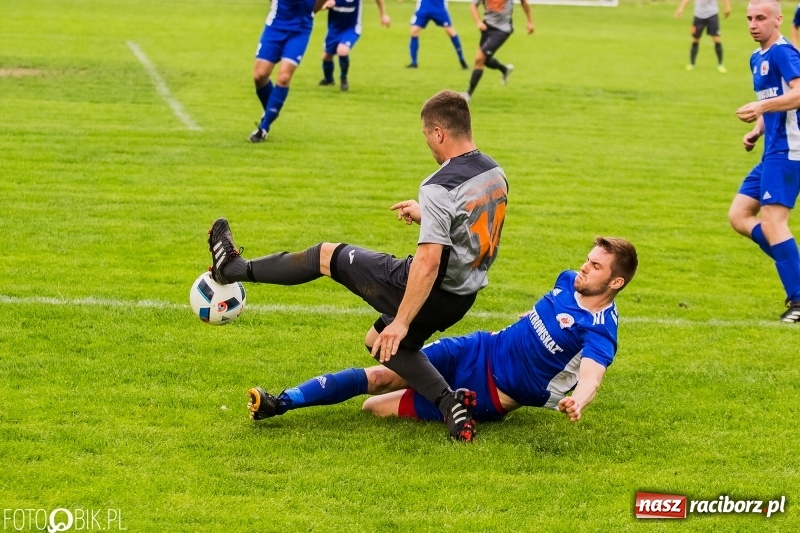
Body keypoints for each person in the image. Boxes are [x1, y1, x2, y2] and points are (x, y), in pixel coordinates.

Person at [208, 90, 509, 440]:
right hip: (460, 298)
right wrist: (429, 216)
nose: (429, 146)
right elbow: (472, 227)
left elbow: (428, 263)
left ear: (439, 132)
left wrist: (401, 321)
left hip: (426, 286)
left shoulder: (439, 184)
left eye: (427, 136)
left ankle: (233, 268)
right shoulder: (493, 172)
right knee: (377, 341)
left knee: (326, 255)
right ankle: (448, 403)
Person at [247, 237, 638, 431]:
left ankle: (459, 402)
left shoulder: (601, 330)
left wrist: (579, 401)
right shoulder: (568, 281)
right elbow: (544, 317)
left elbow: (592, 376)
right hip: (478, 347)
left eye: (596, 267)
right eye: (588, 259)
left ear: (616, 281)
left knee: (373, 409)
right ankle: (281, 402)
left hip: (493, 392)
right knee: (384, 373)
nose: (584, 268)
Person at [732, 0, 800, 323]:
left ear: (778, 20)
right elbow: (775, 100)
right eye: (749, 18)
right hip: (771, 149)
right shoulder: (755, 57)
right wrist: (758, 130)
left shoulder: (784, 52)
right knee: (739, 215)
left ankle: (799, 301)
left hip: (789, 150)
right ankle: (794, 267)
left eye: (761, 18)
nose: (753, 24)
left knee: (774, 223)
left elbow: (798, 94)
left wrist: (760, 110)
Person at [247, 0, 330, 143]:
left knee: (284, 77)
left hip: (300, 31)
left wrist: (310, 11)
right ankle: (271, 110)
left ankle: (264, 127)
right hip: (275, 26)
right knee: (259, 76)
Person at [462, 0, 534, 102]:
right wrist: (478, 22)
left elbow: (524, 2)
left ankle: (468, 94)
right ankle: (504, 69)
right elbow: (473, 5)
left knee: (479, 59)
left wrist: (530, 21)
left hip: (502, 30)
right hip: (487, 27)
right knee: (484, 60)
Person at [318, 0, 391, 91]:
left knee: (342, 50)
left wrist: (383, 15)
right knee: (326, 57)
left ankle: (343, 79)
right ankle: (328, 80)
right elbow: (318, 6)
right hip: (334, 29)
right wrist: (325, 6)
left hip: (352, 27)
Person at [406, 0, 469, 69]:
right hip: (424, 6)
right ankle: (414, 63)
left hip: (439, 7)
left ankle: (462, 59)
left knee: (450, 31)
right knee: (414, 31)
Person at [674, 0, 732, 72]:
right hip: (698, 16)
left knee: (717, 40)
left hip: (712, 15)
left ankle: (720, 65)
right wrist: (681, 8)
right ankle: (692, 64)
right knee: (695, 39)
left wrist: (727, 7)